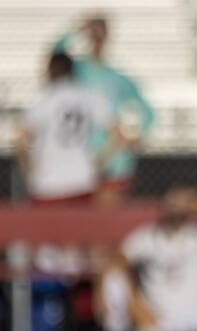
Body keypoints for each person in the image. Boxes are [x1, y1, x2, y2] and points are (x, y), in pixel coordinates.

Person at [95, 187, 197, 331]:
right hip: (154, 310)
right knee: (114, 277)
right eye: (171, 202)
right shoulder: (147, 236)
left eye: (180, 202)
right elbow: (115, 262)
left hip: (192, 311)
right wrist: (105, 294)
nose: (176, 205)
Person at [53, 15, 155, 201]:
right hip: (80, 151)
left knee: (108, 215)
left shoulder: (117, 77)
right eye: (94, 31)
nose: (98, 36)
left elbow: (147, 110)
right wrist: (76, 28)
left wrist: (138, 134)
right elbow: (55, 56)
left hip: (113, 155)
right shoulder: (77, 69)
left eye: (102, 31)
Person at [16, 52, 117, 204]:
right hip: (82, 181)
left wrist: (28, 170)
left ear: (50, 70)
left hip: (47, 184)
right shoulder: (89, 98)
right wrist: (98, 162)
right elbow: (119, 135)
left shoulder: (43, 101)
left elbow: (21, 140)